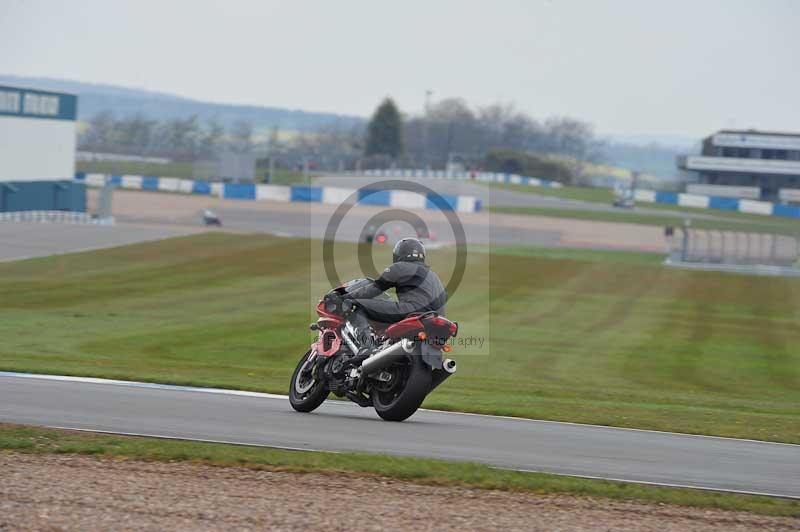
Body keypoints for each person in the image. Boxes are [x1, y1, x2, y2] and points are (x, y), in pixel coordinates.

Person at [342, 237, 447, 361]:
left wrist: (346, 297)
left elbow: (374, 289)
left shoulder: (400, 267)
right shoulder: (433, 276)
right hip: (435, 319)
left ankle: (366, 347)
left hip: (411, 311)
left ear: (399, 253)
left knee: (359, 306)